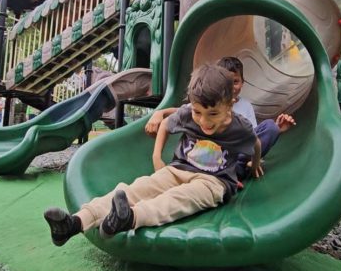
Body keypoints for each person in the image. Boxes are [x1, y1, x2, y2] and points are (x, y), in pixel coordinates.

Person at [43, 64, 261, 246]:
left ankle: (130, 218)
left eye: (213, 114)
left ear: (230, 105)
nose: (204, 121)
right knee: (135, 188)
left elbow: (256, 143)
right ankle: (73, 223)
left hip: (213, 182)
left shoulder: (240, 127)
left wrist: (253, 164)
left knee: (178, 199)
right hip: (178, 169)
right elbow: (166, 123)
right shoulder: (187, 113)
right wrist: (157, 157)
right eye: (198, 113)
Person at [145, 57, 295, 178]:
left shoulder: (245, 107)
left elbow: (253, 137)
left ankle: (236, 169)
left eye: (235, 81)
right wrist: (160, 113)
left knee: (270, 126)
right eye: (226, 82)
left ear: (243, 82)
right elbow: (185, 111)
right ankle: (232, 172)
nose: (231, 87)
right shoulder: (208, 105)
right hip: (209, 152)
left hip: (236, 154)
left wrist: (275, 130)